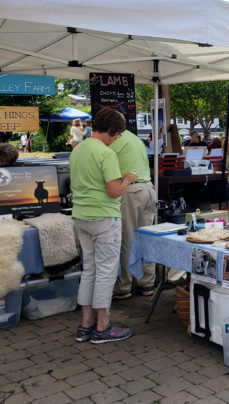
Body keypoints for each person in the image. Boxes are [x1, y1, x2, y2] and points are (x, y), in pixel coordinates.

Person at [70, 109, 137, 344]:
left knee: (89, 269)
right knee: (106, 271)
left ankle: (85, 324)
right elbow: (114, 191)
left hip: (81, 216)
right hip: (104, 217)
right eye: (117, 134)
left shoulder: (78, 150)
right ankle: (103, 325)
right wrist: (127, 179)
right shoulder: (106, 154)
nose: (116, 138)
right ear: (111, 130)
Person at [109, 129, 157, 301]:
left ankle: (124, 286)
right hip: (148, 189)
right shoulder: (135, 138)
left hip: (131, 190)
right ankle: (147, 283)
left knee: (127, 239)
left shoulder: (114, 139)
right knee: (146, 239)